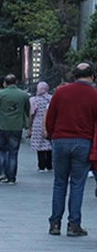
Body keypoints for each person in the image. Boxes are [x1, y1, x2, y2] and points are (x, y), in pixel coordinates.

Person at [45, 62, 97, 237]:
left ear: (74, 76)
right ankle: (74, 224)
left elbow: (51, 116)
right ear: (92, 76)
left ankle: (55, 223)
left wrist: (51, 134)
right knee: (77, 184)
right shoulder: (94, 94)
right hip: (83, 141)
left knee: (59, 183)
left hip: (60, 140)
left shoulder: (61, 92)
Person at [0, 74, 30, 185]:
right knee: (13, 152)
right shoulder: (24, 95)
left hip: (2, 126)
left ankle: (1, 173)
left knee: (1, 150)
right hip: (16, 127)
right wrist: (27, 126)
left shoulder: (0, 95)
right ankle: (11, 177)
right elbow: (27, 110)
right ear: (16, 82)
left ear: (5, 83)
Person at [27, 81, 53, 172]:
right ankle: (49, 165)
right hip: (49, 122)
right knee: (49, 144)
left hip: (37, 123)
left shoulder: (34, 100)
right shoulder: (51, 98)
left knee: (39, 145)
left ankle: (41, 166)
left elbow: (31, 114)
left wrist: (29, 127)